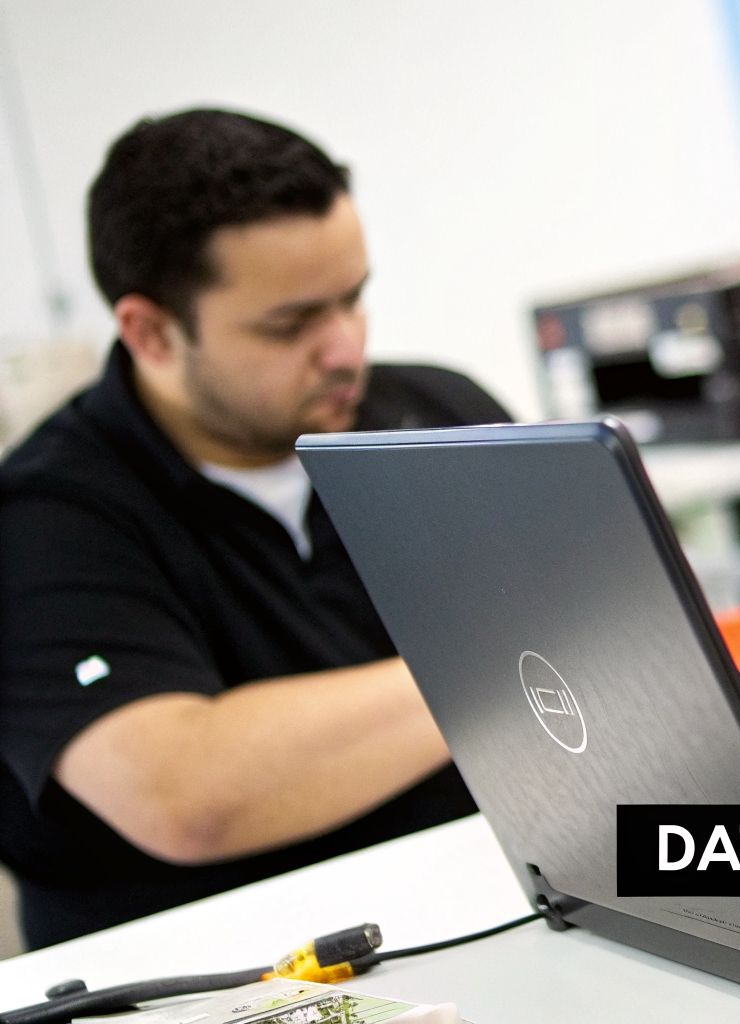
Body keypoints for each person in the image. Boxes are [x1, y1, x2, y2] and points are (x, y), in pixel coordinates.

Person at [0, 110, 508, 945]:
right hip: (225, 976)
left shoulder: (442, 416)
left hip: (502, 904)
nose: (344, 350)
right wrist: (526, 666)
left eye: (354, 299)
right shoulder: (43, 521)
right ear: (151, 332)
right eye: (290, 324)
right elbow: (185, 792)